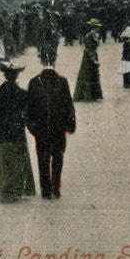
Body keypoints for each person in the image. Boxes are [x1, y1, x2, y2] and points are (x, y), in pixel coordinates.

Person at [26, 55, 77, 199]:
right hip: (41, 130)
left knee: (57, 160)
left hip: (58, 129)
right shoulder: (34, 83)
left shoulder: (62, 82)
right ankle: (46, 190)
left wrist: (71, 124)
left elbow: (69, 105)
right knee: (43, 160)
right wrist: (32, 127)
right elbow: (29, 107)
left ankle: (55, 186)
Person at [0, 63, 36, 202]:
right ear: (16, 76)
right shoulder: (23, 94)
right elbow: (27, 116)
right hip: (16, 131)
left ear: (5, 75)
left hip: (0, 131)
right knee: (17, 159)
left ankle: (4, 187)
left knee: (2, 160)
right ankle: (16, 187)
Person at [73, 18, 103, 101]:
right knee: (87, 75)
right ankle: (87, 95)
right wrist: (94, 60)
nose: (98, 28)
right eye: (97, 27)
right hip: (88, 58)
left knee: (92, 75)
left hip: (92, 56)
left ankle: (93, 95)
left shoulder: (94, 35)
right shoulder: (89, 36)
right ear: (94, 27)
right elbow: (90, 49)